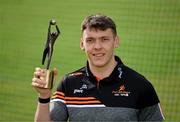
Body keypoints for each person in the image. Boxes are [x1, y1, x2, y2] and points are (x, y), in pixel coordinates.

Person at [32, 14, 165, 121]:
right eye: (90, 40)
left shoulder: (140, 85)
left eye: (104, 39)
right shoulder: (68, 83)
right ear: (82, 44)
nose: (97, 46)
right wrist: (44, 96)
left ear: (116, 41)